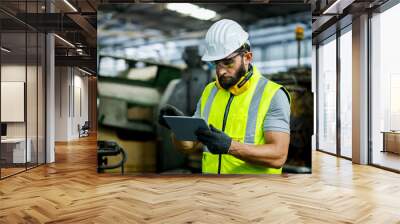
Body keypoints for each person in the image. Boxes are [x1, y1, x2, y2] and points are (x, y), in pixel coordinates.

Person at [158, 19, 291, 174]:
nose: (220, 71)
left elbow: (278, 156)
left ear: (247, 58)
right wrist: (179, 128)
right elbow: (188, 146)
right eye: (216, 63)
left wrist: (230, 147)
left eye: (228, 62)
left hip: (253, 193)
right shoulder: (210, 91)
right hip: (212, 190)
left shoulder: (273, 94)